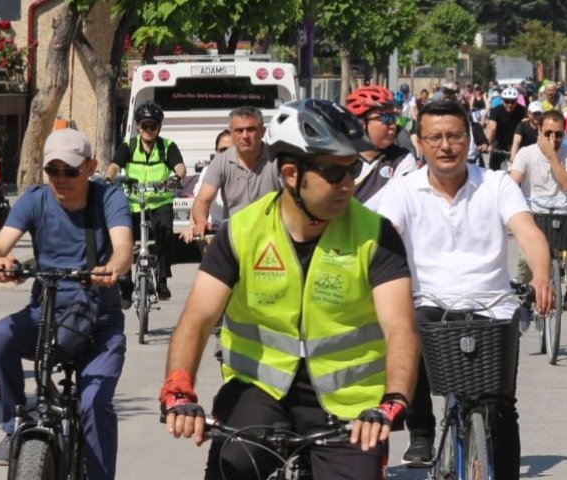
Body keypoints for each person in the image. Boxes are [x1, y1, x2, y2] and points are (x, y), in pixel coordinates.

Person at [159, 99, 420, 480]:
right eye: (334, 173)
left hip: (351, 404)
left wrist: (392, 400)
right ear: (291, 174)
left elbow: (401, 328)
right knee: (233, 465)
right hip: (259, 390)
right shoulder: (243, 231)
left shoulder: (376, 235)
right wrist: (179, 387)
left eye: (353, 169)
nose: (348, 184)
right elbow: (197, 318)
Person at [375, 98, 554, 477]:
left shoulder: (496, 183)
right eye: (435, 137)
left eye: (455, 136)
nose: (446, 145)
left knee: (501, 407)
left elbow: (528, 232)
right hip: (429, 305)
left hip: (492, 308)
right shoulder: (402, 190)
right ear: (420, 143)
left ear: (469, 140)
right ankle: (421, 431)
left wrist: (541, 274)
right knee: (407, 332)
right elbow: (377, 237)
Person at [0, 128, 134, 478]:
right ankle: (15, 421)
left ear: (90, 166)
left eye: (70, 170)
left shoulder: (108, 198)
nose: (61, 179)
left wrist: (112, 268)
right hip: (46, 314)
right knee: (0, 337)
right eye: (53, 170)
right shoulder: (35, 199)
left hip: (99, 321)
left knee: (93, 402)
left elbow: (123, 246)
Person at [104, 101, 185, 302]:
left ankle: (163, 279)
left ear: (159, 128)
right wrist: (108, 179)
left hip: (159, 201)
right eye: (145, 126)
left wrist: (176, 177)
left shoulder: (168, 146)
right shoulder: (128, 146)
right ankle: (125, 280)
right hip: (133, 201)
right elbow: (114, 165)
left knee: (165, 235)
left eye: (153, 126)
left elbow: (180, 167)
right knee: (121, 238)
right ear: (138, 127)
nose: (149, 130)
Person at [510, 110, 567, 311]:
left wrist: (552, 156)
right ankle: (524, 294)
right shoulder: (526, 153)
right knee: (523, 258)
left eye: (558, 134)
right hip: (533, 214)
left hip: (563, 213)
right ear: (538, 130)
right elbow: (513, 182)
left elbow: (566, 185)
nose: (552, 138)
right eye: (547, 134)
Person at [184, 107, 278, 242]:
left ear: (262, 131)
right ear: (232, 134)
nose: (245, 136)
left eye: (251, 129)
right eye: (239, 130)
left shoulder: (277, 159)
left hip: (271, 237)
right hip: (234, 237)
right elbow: (202, 200)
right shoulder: (220, 162)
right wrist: (201, 221)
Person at [345, 85, 417, 206]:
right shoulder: (339, 159)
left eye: (394, 118)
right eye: (386, 118)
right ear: (361, 123)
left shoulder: (402, 160)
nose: (393, 125)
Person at [486, 87, 528, 170]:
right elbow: (492, 128)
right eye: (507, 101)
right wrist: (488, 144)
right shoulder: (495, 111)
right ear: (502, 100)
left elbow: (526, 127)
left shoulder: (523, 110)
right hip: (499, 145)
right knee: (495, 174)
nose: (509, 104)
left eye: (512, 102)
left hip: (517, 146)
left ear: (516, 100)